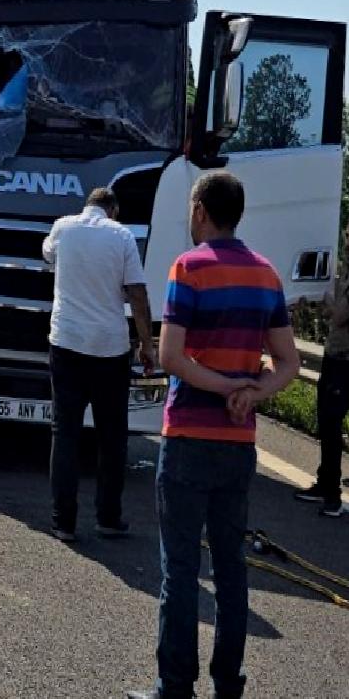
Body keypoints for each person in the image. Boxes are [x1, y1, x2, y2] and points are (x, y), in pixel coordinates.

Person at [128, 171, 298, 699]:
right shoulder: (267, 275)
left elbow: (171, 356)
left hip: (187, 437)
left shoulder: (189, 267)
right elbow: (289, 363)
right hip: (237, 443)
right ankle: (228, 684)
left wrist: (224, 386)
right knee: (231, 567)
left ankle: (175, 685)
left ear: (200, 210)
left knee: (180, 568)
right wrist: (251, 392)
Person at [41, 187, 156, 542]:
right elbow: (137, 293)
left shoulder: (62, 228)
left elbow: (47, 255)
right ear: (113, 210)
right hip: (109, 349)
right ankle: (108, 517)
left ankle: (63, 522)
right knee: (111, 436)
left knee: (65, 432)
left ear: (87, 205)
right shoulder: (122, 236)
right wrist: (147, 345)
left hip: (67, 343)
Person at [294, 229, 349, 518]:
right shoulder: (343, 274)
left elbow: (339, 315)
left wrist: (325, 299)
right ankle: (325, 483)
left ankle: (332, 496)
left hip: (344, 361)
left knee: (332, 424)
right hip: (334, 356)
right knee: (327, 423)